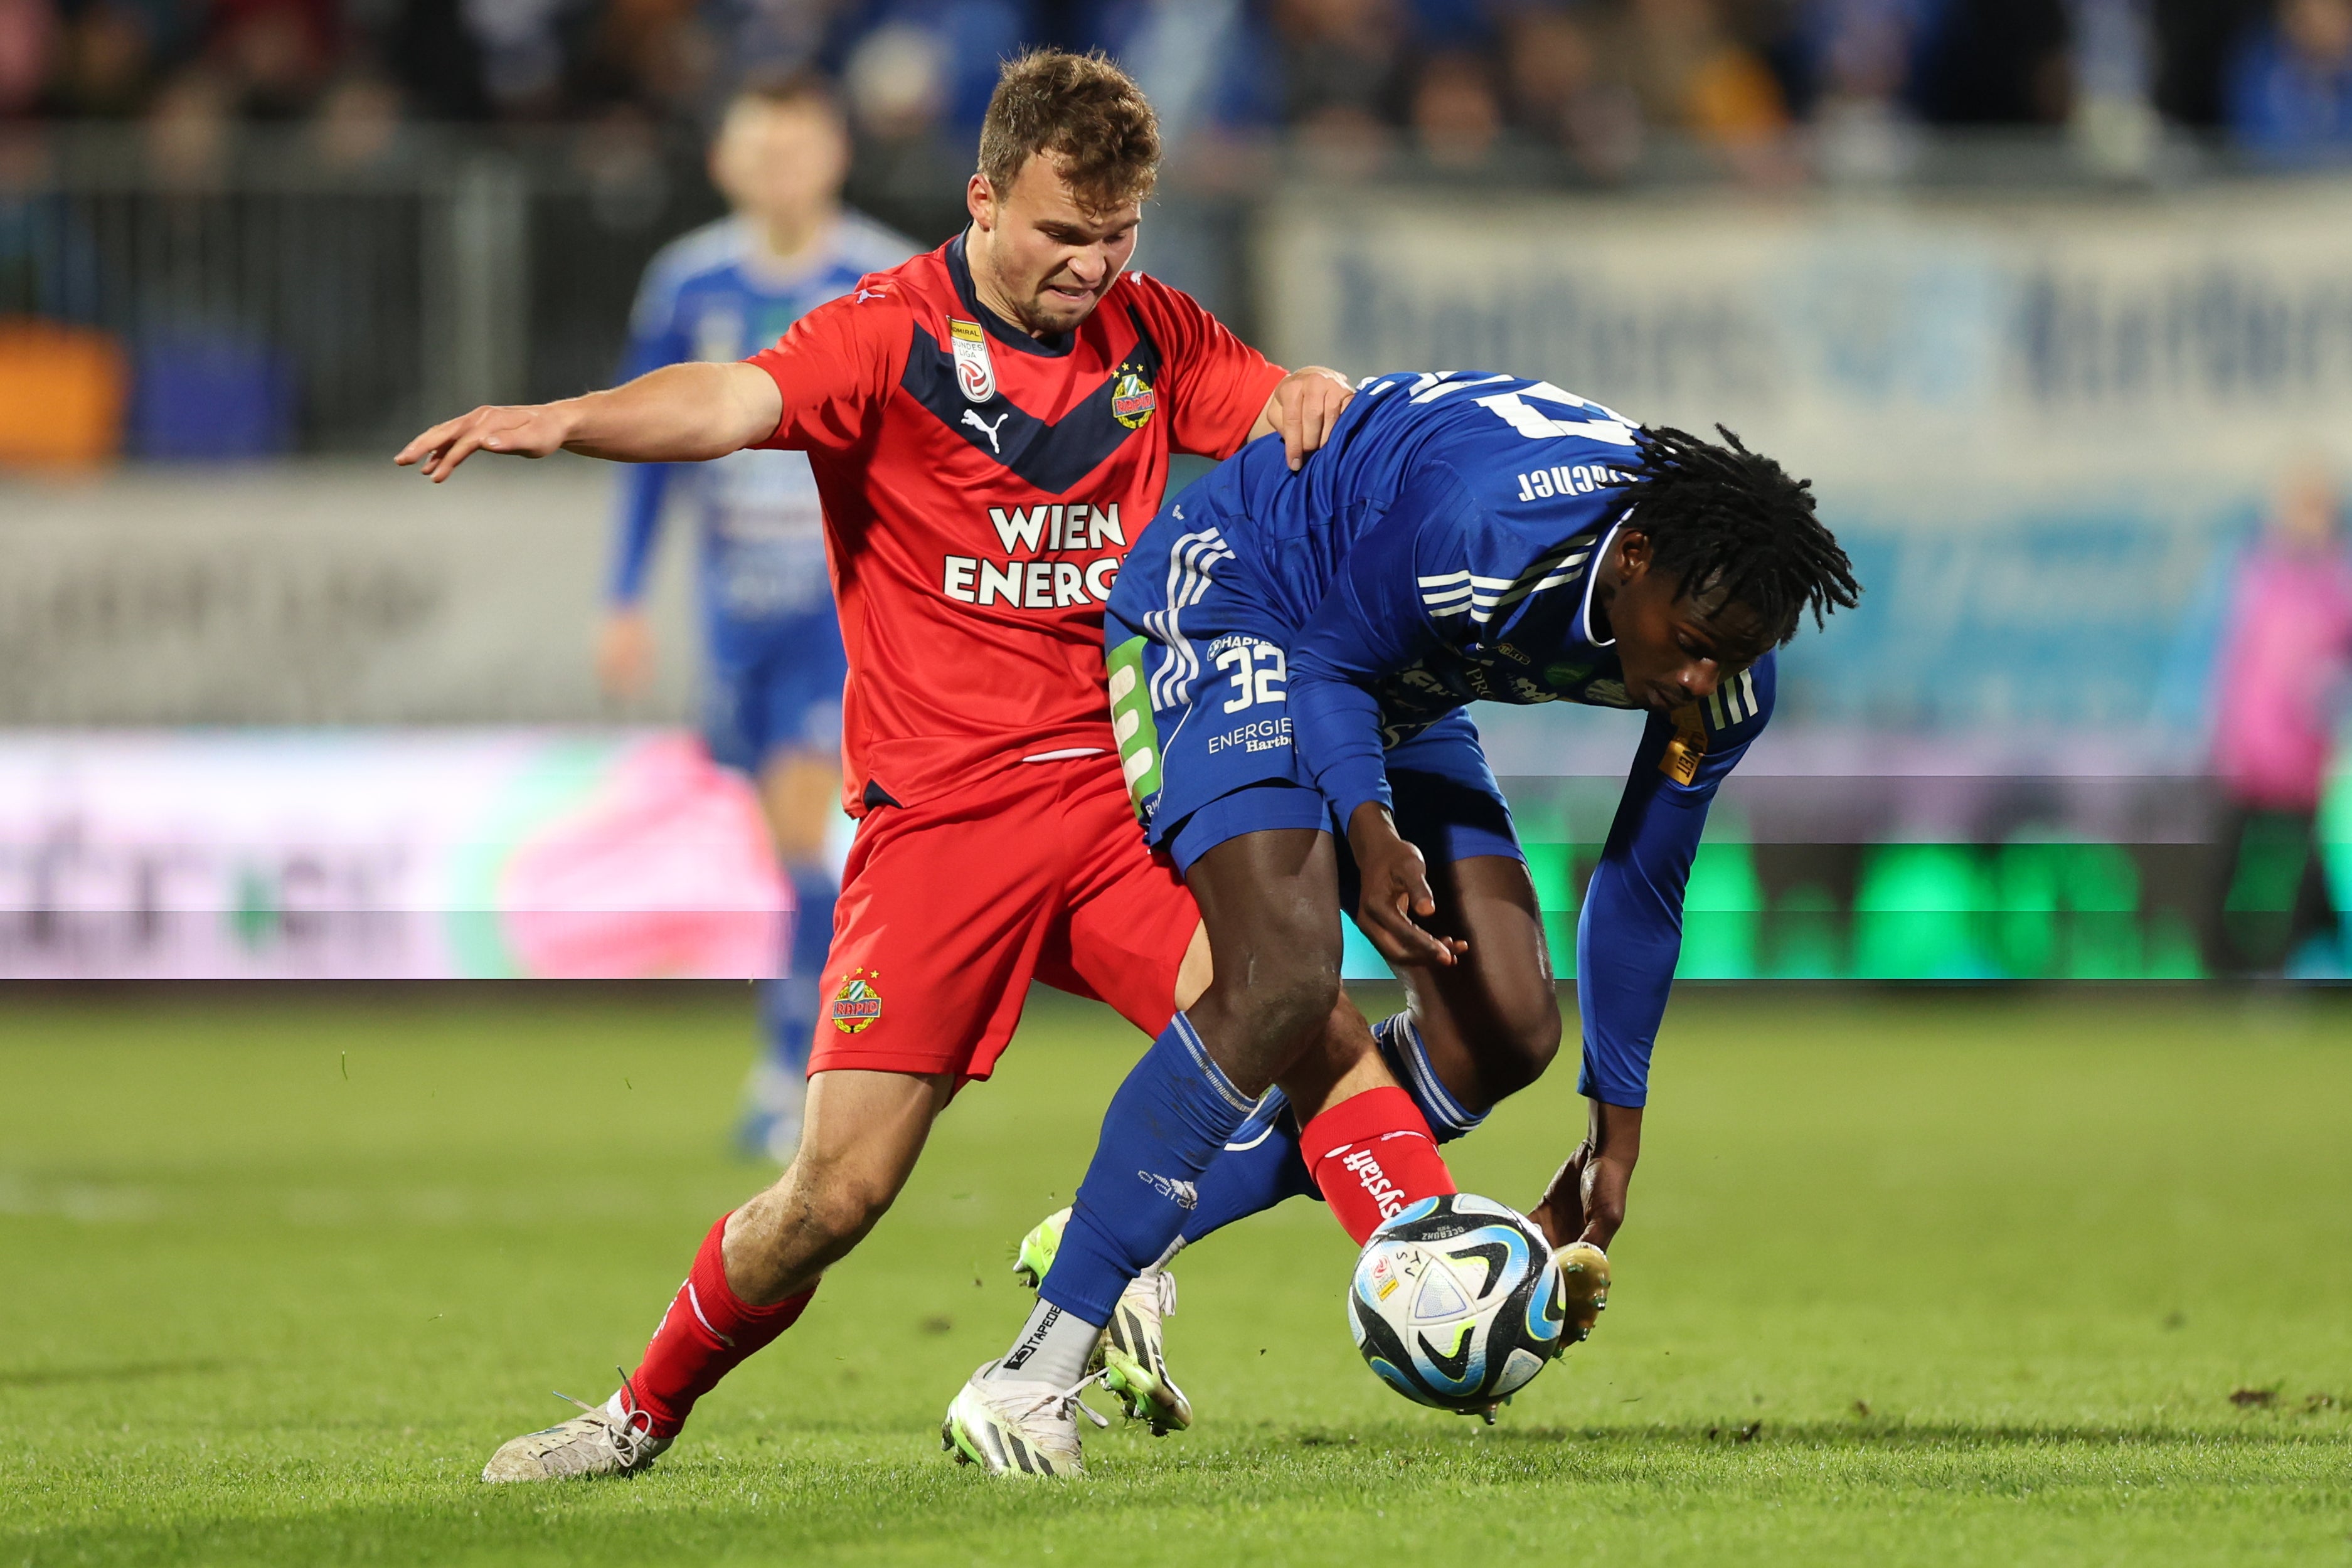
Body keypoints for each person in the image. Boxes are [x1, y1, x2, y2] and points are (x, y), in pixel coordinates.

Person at [396, 48, 1444, 1485]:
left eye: (1116, 234)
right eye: (1062, 232)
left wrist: (1317, 393)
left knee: (1295, 1008)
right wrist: (567, 421)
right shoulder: (884, 336)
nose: (1091, 265)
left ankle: (1438, 1269)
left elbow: (1279, 406)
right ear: (982, 199)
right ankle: (633, 1413)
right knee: (832, 1195)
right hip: (942, 823)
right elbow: (729, 403)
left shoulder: (1151, 334)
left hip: (1118, 799)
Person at [944, 374, 1858, 1475]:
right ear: (1631, 558)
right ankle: (1027, 1376)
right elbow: (1326, 656)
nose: (1700, 676)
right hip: (1242, 596)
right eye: (1694, 640)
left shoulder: (1715, 677)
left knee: (1505, 1030)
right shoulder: (1489, 532)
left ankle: (1132, 1231)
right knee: (1283, 972)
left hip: (1394, 661)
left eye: (1732, 656)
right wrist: (1369, 828)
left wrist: (1611, 1137)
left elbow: (1639, 887)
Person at [597, 73, 917, 1163]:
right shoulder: (687, 282)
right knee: (784, 848)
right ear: (725, 162)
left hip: (843, 609)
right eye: (760, 151)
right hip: (735, 612)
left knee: (800, 827)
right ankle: (815, 1050)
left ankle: (796, 1071)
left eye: (797, 149)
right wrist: (624, 596)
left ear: (834, 156)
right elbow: (645, 444)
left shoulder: (882, 278)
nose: (779, 169)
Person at [2203, 462, 2352, 974]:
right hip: (2248, 757)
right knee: (2228, 868)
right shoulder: (2251, 576)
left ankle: (2297, 966)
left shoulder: (2338, 587)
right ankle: (2223, 970)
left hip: (2306, 764)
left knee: (2308, 874)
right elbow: (2226, 664)